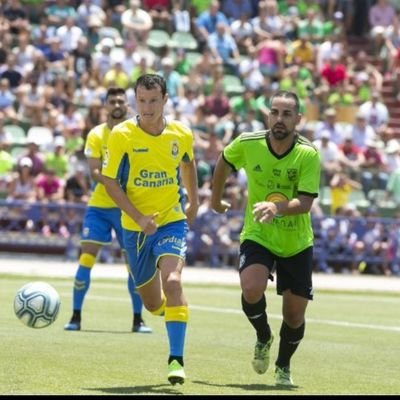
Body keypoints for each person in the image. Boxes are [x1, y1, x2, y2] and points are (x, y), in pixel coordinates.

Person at [211, 90, 321, 386]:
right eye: (275, 112)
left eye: (287, 114)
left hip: (296, 242)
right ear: (267, 115)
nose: (280, 119)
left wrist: (276, 207)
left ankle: (283, 365)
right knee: (251, 288)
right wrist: (215, 198)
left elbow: (307, 202)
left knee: (294, 315)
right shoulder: (248, 142)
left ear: (298, 119)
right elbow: (223, 161)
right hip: (258, 233)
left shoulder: (307, 153)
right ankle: (263, 336)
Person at [102, 74, 199, 385]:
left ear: (165, 100)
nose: (147, 107)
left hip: (171, 219)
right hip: (135, 227)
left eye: (153, 100)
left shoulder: (181, 133)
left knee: (173, 282)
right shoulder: (122, 135)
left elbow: (188, 164)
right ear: (135, 100)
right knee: (153, 303)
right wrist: (138, 216)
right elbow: (110, 182)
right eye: (142, 100)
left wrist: (193, 202)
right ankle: (170, 311)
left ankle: (176, 360)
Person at [64, 87, 152, 334]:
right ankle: (75, 317)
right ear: (105, 106)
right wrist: (116, 183)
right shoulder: (96, 134)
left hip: (127, 209)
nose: (116, 104)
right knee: (86, 257)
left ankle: (138, 320)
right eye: (112, 100)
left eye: (121, 101)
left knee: (133, 266)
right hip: (100, 206)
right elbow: (93, 172)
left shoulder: (135, 134)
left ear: (127, 105)